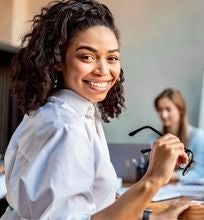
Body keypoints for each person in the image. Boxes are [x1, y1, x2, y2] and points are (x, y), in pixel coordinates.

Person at [1, 1, 192, 219]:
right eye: (87, 57)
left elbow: (94, 205)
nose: (103, 70)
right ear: (57, 61)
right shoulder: (66, 126)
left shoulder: (72, 112)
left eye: (112, 58)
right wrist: (153, 179)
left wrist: (154, 217)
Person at [149, 88, 204, 182]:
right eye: (160, 110)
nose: (163, 115)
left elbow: (199, 172)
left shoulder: (198, 137)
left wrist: (170, 175)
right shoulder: (153, 138)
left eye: (168, 109)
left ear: (180, 110)